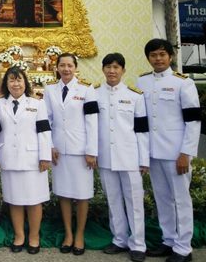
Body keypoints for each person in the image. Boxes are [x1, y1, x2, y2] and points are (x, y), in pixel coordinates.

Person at [137, 39, 200, 262]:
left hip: (176, 153)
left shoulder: (183, 83)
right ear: (148, 58)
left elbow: (193, 121)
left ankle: (184, 248)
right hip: (153, 152)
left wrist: (186, 153)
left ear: (170, 56)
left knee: (181, 200)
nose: (158, 58)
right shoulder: (142, 82)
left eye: (162, 54)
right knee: (162, 198)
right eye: (153, 55)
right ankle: (169, 240)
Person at [44, 53, 98, 255]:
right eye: (62, 65)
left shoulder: (86, 89)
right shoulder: (50, 89)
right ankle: (68, 234)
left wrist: (91, 151)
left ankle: (80, 235)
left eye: (69, 65)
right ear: (56, 67)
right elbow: (47, 120)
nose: (66, 69)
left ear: (76, 67)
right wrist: (49, 145)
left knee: (82, 195)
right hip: (59, 150)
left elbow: (92, 121)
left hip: (81, 150)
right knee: (64, 194)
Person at [96, 53, 149, 262]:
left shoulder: (135, 96)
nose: (112, 71)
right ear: (103, 70)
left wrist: (144, 159)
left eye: (116, 67)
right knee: (113, 200)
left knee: (134, 201)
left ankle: (138, 244)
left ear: (123, 71)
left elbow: (142, 130)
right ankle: (119, 239)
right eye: (108, 67)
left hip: (130, 157)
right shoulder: (94, 94)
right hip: (106, 156)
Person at [0, 66, 52, 255]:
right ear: (6, 83)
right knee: (15, 199)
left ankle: (34, 237)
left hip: (32, 160)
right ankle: (19, 236)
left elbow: (44, 132)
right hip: (8, 158)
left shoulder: (37, 104)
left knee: (34, 200)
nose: (16, 84)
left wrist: (45, 156)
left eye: (19, 80)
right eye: (11, 80)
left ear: (25, 82)